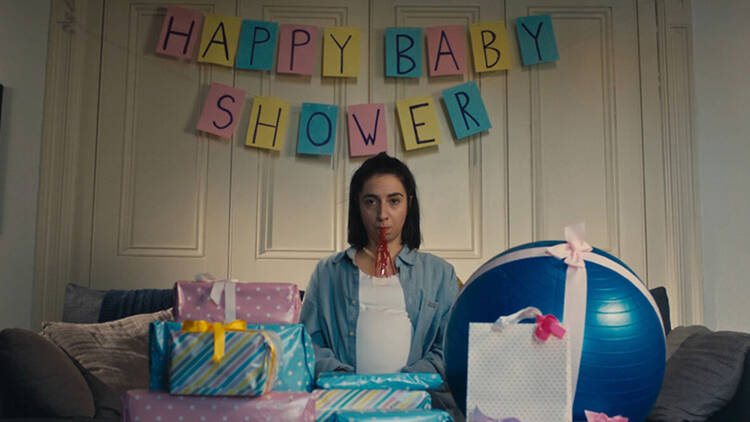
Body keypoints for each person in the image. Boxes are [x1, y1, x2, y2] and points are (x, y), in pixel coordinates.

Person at [299, 152, 458, 378]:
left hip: (418, 403)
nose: (382, 214)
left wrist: (405, 383)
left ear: (409, 204)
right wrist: (348, 381)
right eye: (371, 202)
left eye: (394, 201)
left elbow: (449, 348)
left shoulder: (440, 274)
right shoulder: (328, 272)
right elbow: (307, 344)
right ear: (358, 205)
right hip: (344, 401)